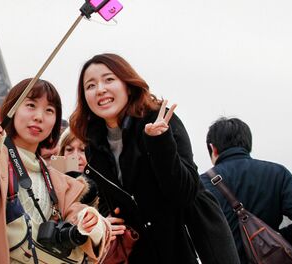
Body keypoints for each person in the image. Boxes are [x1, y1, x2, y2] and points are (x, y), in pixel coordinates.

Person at [0, 78, 111, 263]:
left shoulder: (60, 182)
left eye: (49, 110)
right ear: (12, 110)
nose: (39, 116)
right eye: (31, 105)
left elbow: (79, 217)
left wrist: (91, 223)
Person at [69, 53, 206, 262]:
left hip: (178, 252)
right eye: (90, 85)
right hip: (134, 256)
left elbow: (185, 193)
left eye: (109, 79)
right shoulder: (94, 145)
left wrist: (160, 142)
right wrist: (105, 221)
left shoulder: (160, 119)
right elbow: (110, 200)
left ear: (128, 84)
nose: (100, 89)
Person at [200, 117, 292, 263]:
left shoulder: (202, 184)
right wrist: (273, 243)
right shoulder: (277, 173)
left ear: (213, 148)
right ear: (248, 144)